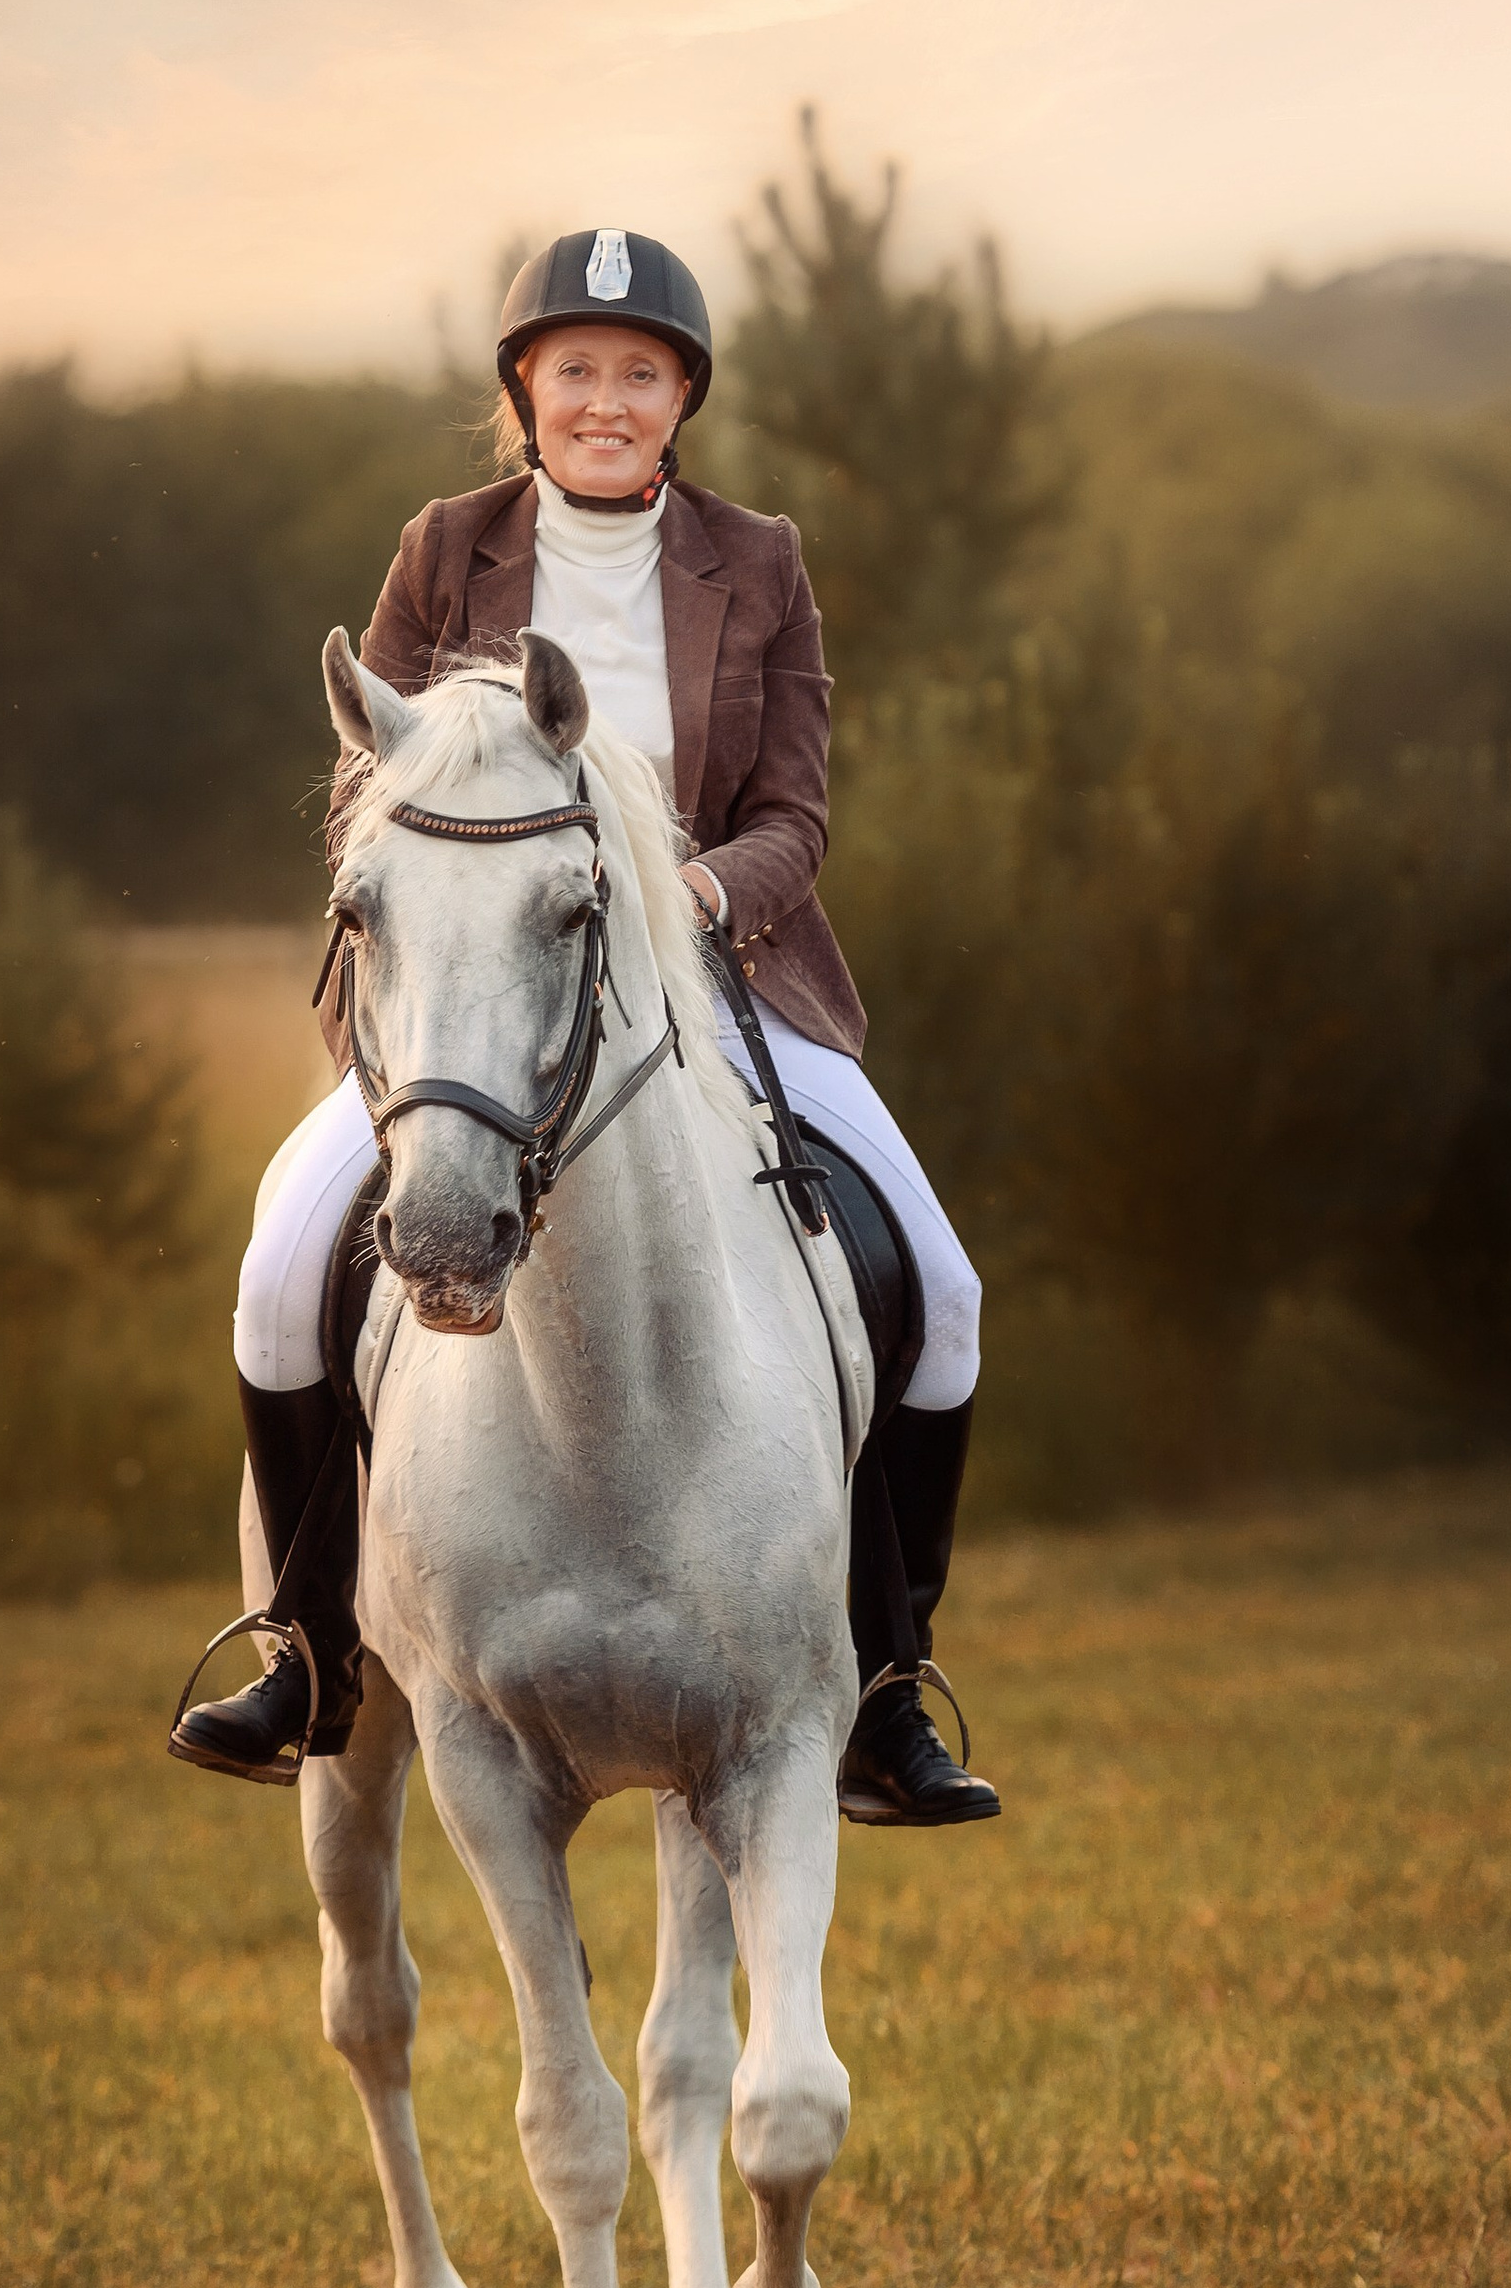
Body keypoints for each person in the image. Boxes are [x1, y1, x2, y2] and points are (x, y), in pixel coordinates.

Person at [169, 225, 987, 1826]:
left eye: (640, 374)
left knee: (943, 1295)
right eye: (575, 372)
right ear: (524, 392)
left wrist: (696, 893)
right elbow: (367, 786)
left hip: (722, 985)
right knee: (277, 1275)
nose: (606, 401)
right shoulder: (443, 548)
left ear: (682, 399)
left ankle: (886, 1688)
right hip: (479, 1007)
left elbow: (795, 816)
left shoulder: (761, 562)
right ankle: (309, 1650)